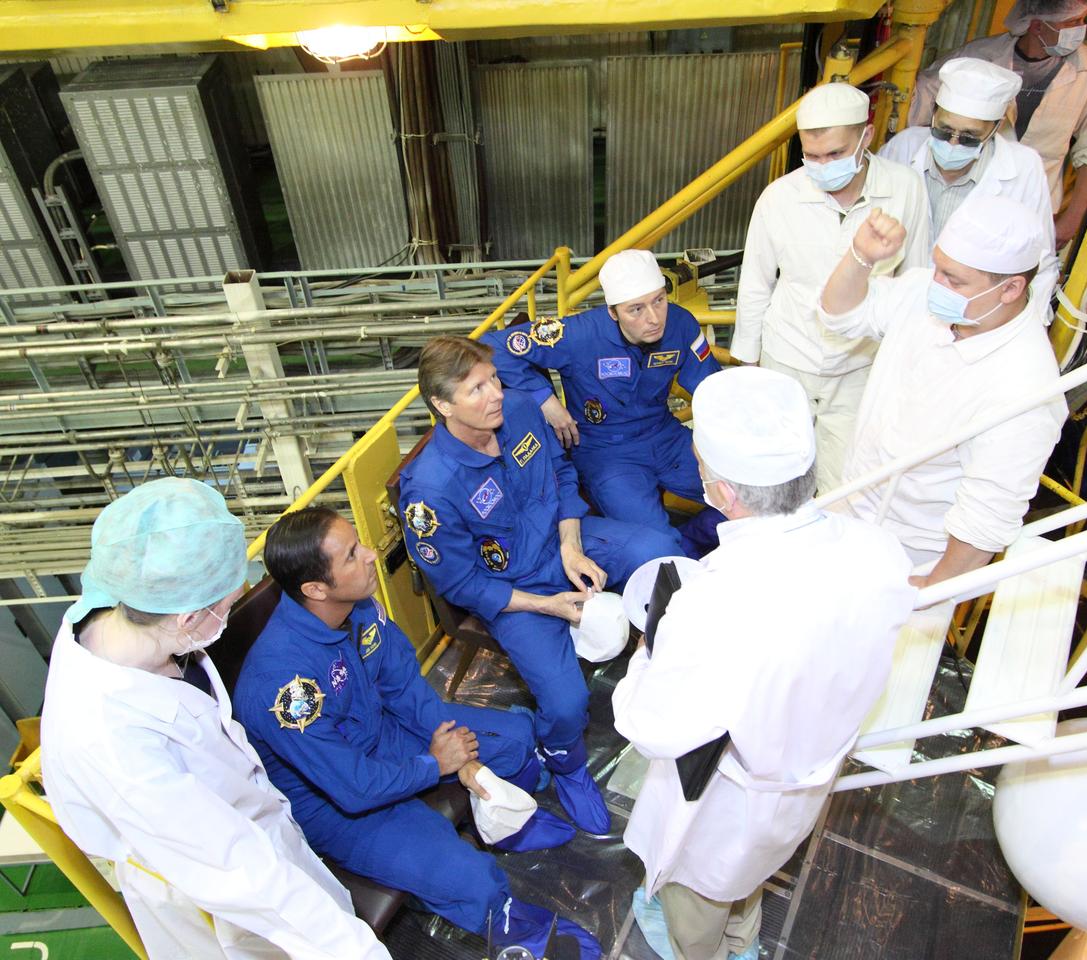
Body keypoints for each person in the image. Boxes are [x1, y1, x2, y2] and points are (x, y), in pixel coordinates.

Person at [613, 366, 915, 960]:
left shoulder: (714, 603)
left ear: (724, 492)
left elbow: (651, 726)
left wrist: (649, 651)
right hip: (805, 777)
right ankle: (743, 939)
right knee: (747, 876)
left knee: (696, 893)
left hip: (725, 798)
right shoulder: (878, 551)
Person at [40, 477, 390, 959]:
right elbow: (236, 871)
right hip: (212, 896)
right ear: (188, 619)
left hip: (252, 836)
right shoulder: (110, 744)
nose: (235, 606)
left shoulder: (118, 612)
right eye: (227, 603)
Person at [233, 507, 599, 959]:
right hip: (335, 799)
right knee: (469, 879)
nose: (371, 556)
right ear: (315, 588)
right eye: (352, 555)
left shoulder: (358, 604)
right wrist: (436, 765)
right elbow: (352, 788)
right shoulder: (283, 686)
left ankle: (505, 826)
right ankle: (509, 924)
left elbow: (404, 688)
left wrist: (462, 759)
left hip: (385, 734)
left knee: (518, 740)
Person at [398, 335, 678, 838]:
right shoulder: (431, 491)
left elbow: (562, 474)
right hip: (515, 591)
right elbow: (461, 581)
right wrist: (549, 607)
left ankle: (667, 665)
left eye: (494, 380)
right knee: (567, 701)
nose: (496, 394)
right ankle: (567, 766)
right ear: (442, 406)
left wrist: (572, 545)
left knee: (659, 551)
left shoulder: (523, 410)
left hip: (562, 539)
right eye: (477, 389)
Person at [818, 196, 1069, 585]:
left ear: (1011, 288)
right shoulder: (929, 296)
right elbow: (840, 315)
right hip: (849, 507)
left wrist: (934, 588)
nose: (937, 284)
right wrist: (860, 257)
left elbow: (986, 516)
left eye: (954, 279)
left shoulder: (1025, 385)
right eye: (939, 268)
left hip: (907, 555)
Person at [733, 81, 931, 495]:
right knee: (778, 481)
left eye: (836, 154)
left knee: (850, 485)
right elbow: (755, 284)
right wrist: (748, 368)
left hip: (860, 368)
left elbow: (916, 280)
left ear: (866, 136)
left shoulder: (905, 188)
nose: (823, 165)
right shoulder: (779, 198)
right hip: (788, 359)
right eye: (812, 156)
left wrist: (909, 371)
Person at [482, 249, 723, 556]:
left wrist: (720, 440)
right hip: (607, 454)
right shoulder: (579, 334)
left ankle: (694, 540)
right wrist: (544, 399)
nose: (653, 318)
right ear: (613, 312)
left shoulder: (681, 325)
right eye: (635, 309)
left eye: (659, 300)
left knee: (755, 493)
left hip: (665, 436)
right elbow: (493, 345)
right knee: (659, 550)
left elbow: (712, 388)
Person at [908, 0, 1087, 248]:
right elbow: (919, 104)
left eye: (1083, 20)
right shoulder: (977, 56)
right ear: (1037, 26)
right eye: (1072, 22)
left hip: (1034, 206)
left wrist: (1072, 220)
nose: (1081, 28)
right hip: (963, 197)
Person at [880, 58, 1059, 319]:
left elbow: (1039, 262)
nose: (953, 144)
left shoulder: (1023, 168)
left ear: (995, 129)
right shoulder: (903, 147)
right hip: (900, 309)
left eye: (968, 137)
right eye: (943, 131)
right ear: (933, 114)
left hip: (974, 318)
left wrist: (1020, 329)